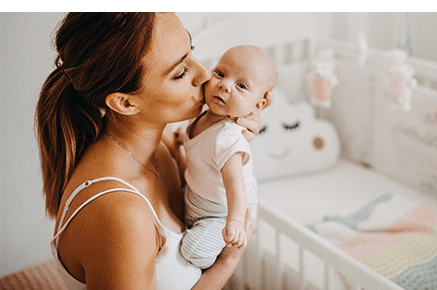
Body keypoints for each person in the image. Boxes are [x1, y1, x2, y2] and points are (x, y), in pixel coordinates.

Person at [36, 12, 267, 290]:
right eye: (180, 72)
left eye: (190, 50)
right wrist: (229, 260)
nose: (204, 74)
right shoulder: (121, 214)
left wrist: (227, 132)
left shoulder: (166, 143)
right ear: (125, 102)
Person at [178, 45, 277, 269]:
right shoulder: (201, 115)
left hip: (223, 211)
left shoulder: (228, 138)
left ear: (258, 105)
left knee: (194, 253)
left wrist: (235, 221)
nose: (224, 84)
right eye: (220, 73)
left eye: (241, 86)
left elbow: (235, 184)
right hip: (198, 197)